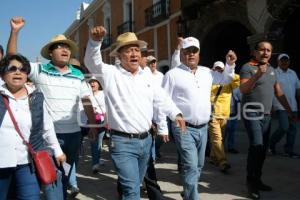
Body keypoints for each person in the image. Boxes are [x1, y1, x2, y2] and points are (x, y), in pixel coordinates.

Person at [84, 26, 186, 200]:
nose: (134, 54)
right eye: (129, 50)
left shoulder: (147, 75)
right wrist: (95, 42)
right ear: (119, 55)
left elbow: (161, 97)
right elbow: (91, 61)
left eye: (137, 50)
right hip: (122, 143)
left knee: (134, 187)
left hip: (146, 141)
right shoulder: (110, 73)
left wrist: (175, 113)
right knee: (132, 190)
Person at [7, 16, 97, 199]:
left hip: (74, 135)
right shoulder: (40, 70)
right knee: (52, 181)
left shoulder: (78, 74)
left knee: (63, 176)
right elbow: (13, 61)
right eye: (59, 46)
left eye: (67, 47)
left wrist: (93, 125)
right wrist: (15, 32)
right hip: (48, 136)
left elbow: (87, 100)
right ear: (50, 52)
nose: (64, 49)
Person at [164, 37, 236, 200]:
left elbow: (226, 79)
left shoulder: (207, 73)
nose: (191, 54)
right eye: (187, 51)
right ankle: (192, 197)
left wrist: (230, 65)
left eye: (194, 51)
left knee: (199, 165)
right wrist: (165, 123)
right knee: (190, 166)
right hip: (183, 127)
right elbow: (164, 100)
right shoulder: (172, 74)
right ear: (182, 53)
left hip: (203, 128)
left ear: (199, 54)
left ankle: (188, 190)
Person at [0, 54, 66, 200]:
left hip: (27, 162)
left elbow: (47, 127)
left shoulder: (36, 98)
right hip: (1, 161)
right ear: (3, 74)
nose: (18, 72)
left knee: (31, 197)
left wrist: (57, 150)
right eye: (12, 68)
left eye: (23, 69)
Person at [239, 41, 296, 199]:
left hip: (267, 115)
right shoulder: (247, 67)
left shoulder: (272, 70)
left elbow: (278, 92)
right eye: (262, 50)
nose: (265, 53)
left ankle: (257, 179)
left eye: (269, 50)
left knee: (263, 150)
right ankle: (251, 184)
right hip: (251, 112)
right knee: (256, 146)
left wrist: (290, 111)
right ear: (255, 52)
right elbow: (243, 89)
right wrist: (257, 74)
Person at [208, 60, 240, 173]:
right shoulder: (209, 81)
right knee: (217, 138)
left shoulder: (228, 81)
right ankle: (222, 162)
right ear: (213, 69)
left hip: (225, 115)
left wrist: (228, 71)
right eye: (216, 69)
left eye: (220, 69)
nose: (218, 71)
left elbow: (237, 80)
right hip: (213, 115)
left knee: (219, 139)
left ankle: (212, 157)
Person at [269, 53, 300, 157]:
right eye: (282, 60)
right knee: (284, 127)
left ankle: (289, 150)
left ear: (289, 61)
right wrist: (271, 105)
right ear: (278, 62)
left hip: (293, 105)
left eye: (286, 60)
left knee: (293, 128)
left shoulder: (293, 73)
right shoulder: (274, 73)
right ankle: (270, 144)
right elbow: (271, 90)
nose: (284, 62)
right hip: (280, 105)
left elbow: (298, 89)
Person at [88, 76, 107, 173]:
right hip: (91, 121)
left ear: (99, 84)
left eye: (94, 82)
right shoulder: (87, 94)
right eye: (91, 82)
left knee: (99, 142)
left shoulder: (103, 94)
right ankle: (95, 164)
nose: (92, 83)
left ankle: (97, 159)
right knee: (94, 142)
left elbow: (108, 107)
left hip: (102, 121)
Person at [225, 87, 242, 154]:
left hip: (234, 113)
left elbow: (240, 98)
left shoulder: (236, 88)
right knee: (223, 131)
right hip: (224, 113)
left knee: (232, 131)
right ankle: (219, 147)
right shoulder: (222, 85)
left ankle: (230, 147)